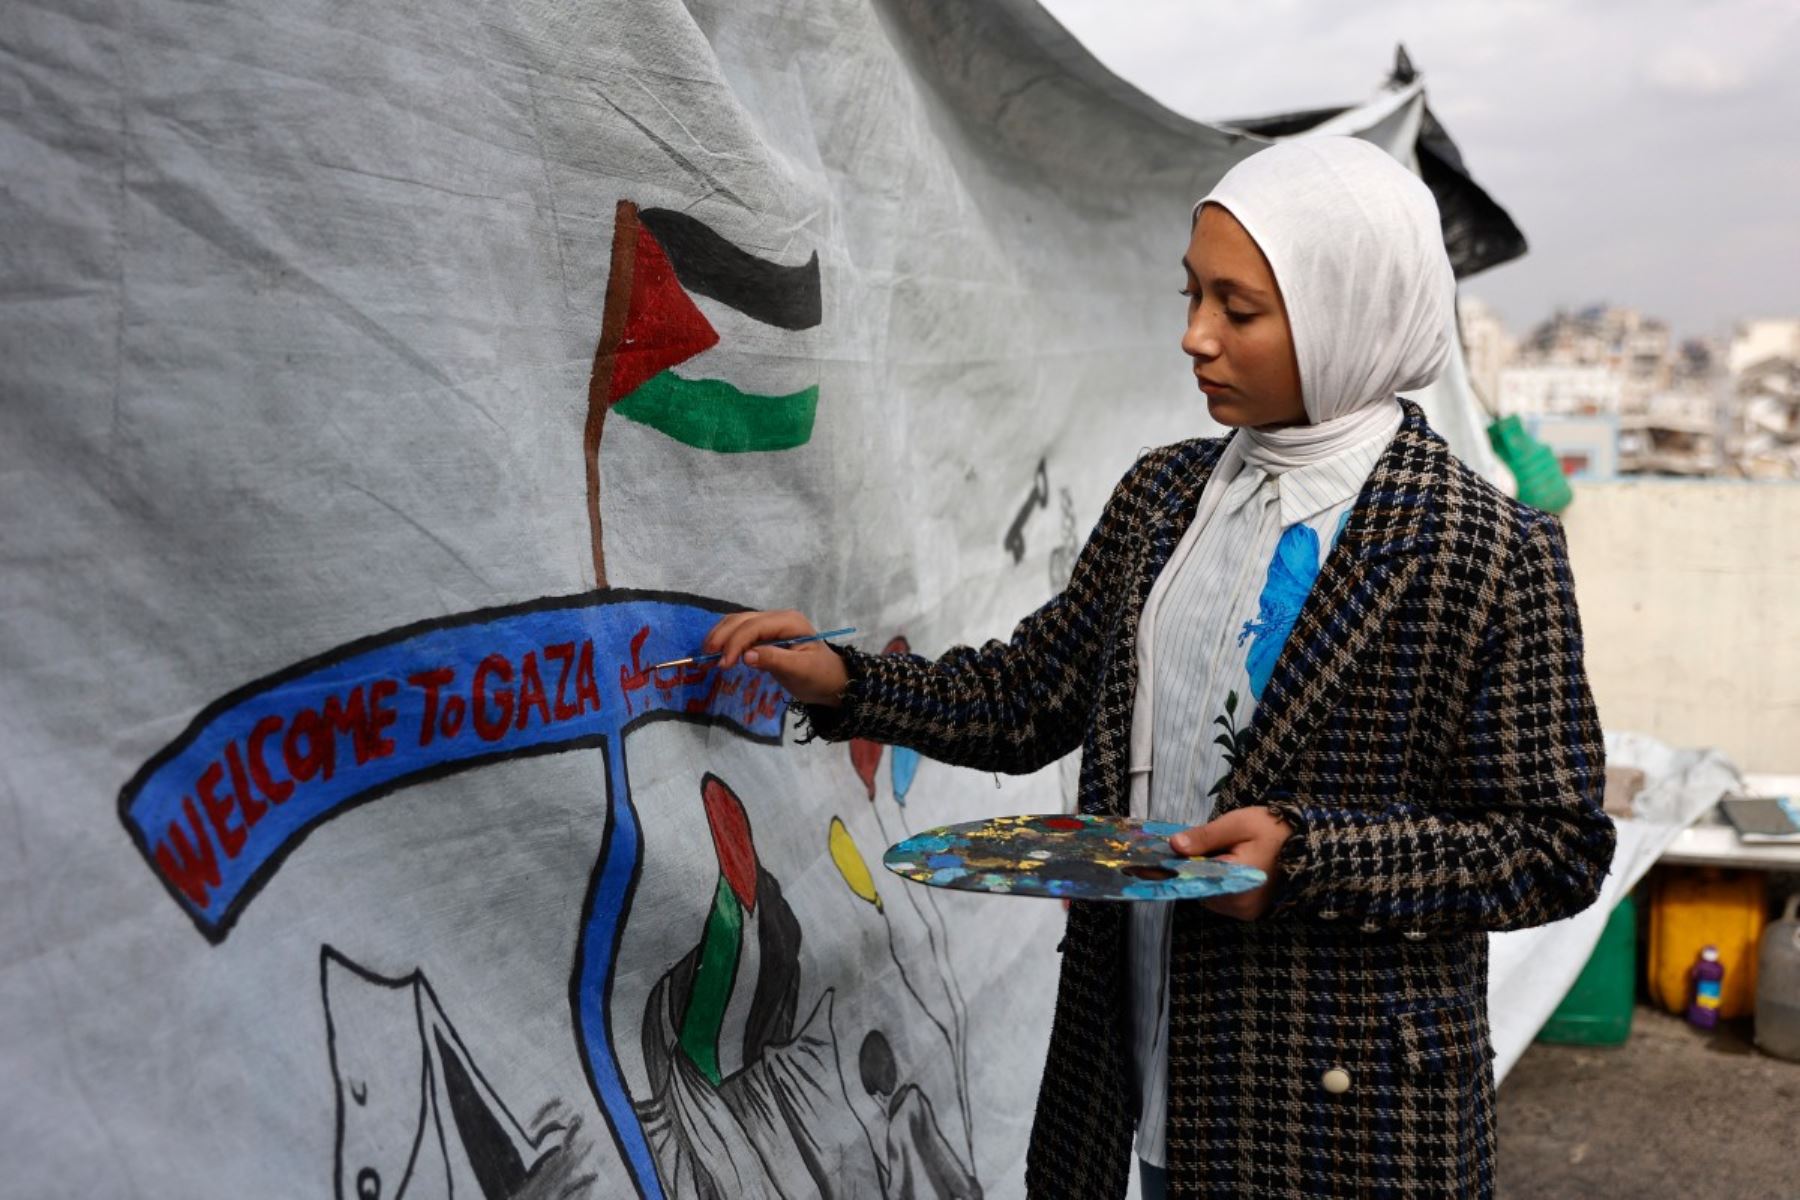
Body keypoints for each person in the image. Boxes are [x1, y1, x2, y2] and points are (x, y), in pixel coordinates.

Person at [702, 137, 1615, 1199]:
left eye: (1239, 309)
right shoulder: (1164, 499)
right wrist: (847, 682)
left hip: (1343, 1109)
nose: (1195, 336)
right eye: (1193, 295)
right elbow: (1028, 695)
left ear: (1345, 314)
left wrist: (1308, 861)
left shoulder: (1482, 549)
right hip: (1134, 1059)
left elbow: (1553, 847)